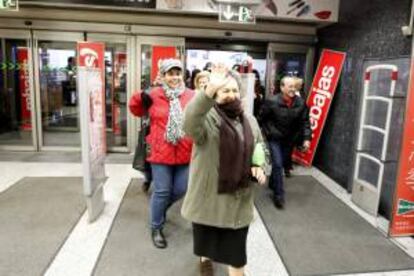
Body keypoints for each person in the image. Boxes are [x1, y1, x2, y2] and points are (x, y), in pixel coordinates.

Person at [181, 64, 267, 276]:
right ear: (215, 94)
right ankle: (205, 259)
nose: (231, 95)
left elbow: (259, 148)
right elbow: (189, 121)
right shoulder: (206, 118)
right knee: (206, 244)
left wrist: (260, 166)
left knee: (237, 257)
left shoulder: (250, 121)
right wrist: (209, 90)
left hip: (238, 200)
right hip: (209, 199)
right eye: (225, 90)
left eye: (234, 90)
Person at [129, 58, 194, 249]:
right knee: (162, 190)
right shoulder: (154, 94)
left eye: (177, 73)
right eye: (170, 73)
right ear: (163, 76)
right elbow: (135, 109)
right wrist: (143, 93)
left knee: (182, 189)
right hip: (160, 151)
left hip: (185, 150)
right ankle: (156, 227)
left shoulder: (191, 95)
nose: (174, 77)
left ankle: (159, 210)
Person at [259, 76, 311, 209]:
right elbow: (261, 118)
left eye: (294, 86)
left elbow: (305, 122)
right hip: (274, 137)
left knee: (281, 164)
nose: (293, 89)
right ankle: (279, 195)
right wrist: (267, 132)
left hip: (290, 139)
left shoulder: (301, 103)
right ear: (282, 87)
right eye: (290, 86)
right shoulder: (271, 101)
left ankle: (273, 183)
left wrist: (306, 139)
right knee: (277, 163)